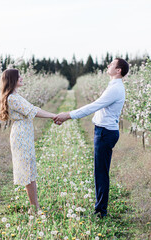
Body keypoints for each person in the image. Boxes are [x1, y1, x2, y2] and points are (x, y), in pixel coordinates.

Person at [54, 58, 129, 218]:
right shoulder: (114, 86)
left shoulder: (115, 89)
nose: (108, 65)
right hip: (105, 131)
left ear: (119, 71)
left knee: (101, 172)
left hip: (105, 133)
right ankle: (100, 208)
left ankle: (100, 211)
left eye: (112, 64)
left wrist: (68, 115)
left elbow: (94, 106)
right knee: (100, 171)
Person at [0, 68, 56, 213]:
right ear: (12, 80)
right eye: (19, 76)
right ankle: (34, 208)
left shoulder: (15, 96)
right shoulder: (12, 98)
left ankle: (35, 206)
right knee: (27, 171)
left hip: (24, 135)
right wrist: (53, 116)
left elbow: (33, 108)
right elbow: (33, 111)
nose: (22, 78)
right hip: (21, 136)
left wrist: (52, 115)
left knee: (29, 170)